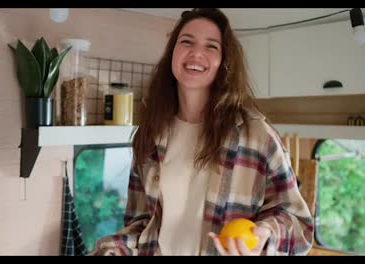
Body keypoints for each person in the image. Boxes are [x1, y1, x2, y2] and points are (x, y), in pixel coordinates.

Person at [93, 8, 314, 256]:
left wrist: (265, 235)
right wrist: (111, 250)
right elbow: (141, 225)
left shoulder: (257, 136)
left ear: (224, 63)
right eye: (186, 41)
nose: (196, 52)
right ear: (172, 54)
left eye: (211, 46)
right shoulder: (150, 134)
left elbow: (300, 226)